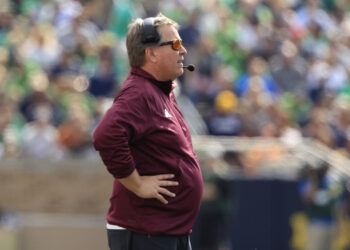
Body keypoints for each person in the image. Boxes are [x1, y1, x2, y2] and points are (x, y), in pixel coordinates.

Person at [93, 13, 203, 250]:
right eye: (174, 44)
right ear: (151, 53)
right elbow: (105, 134)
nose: (182, 50)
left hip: (164, 230)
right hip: (146, 232)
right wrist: (137, 183)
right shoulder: (140, 93)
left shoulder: (158, 91)